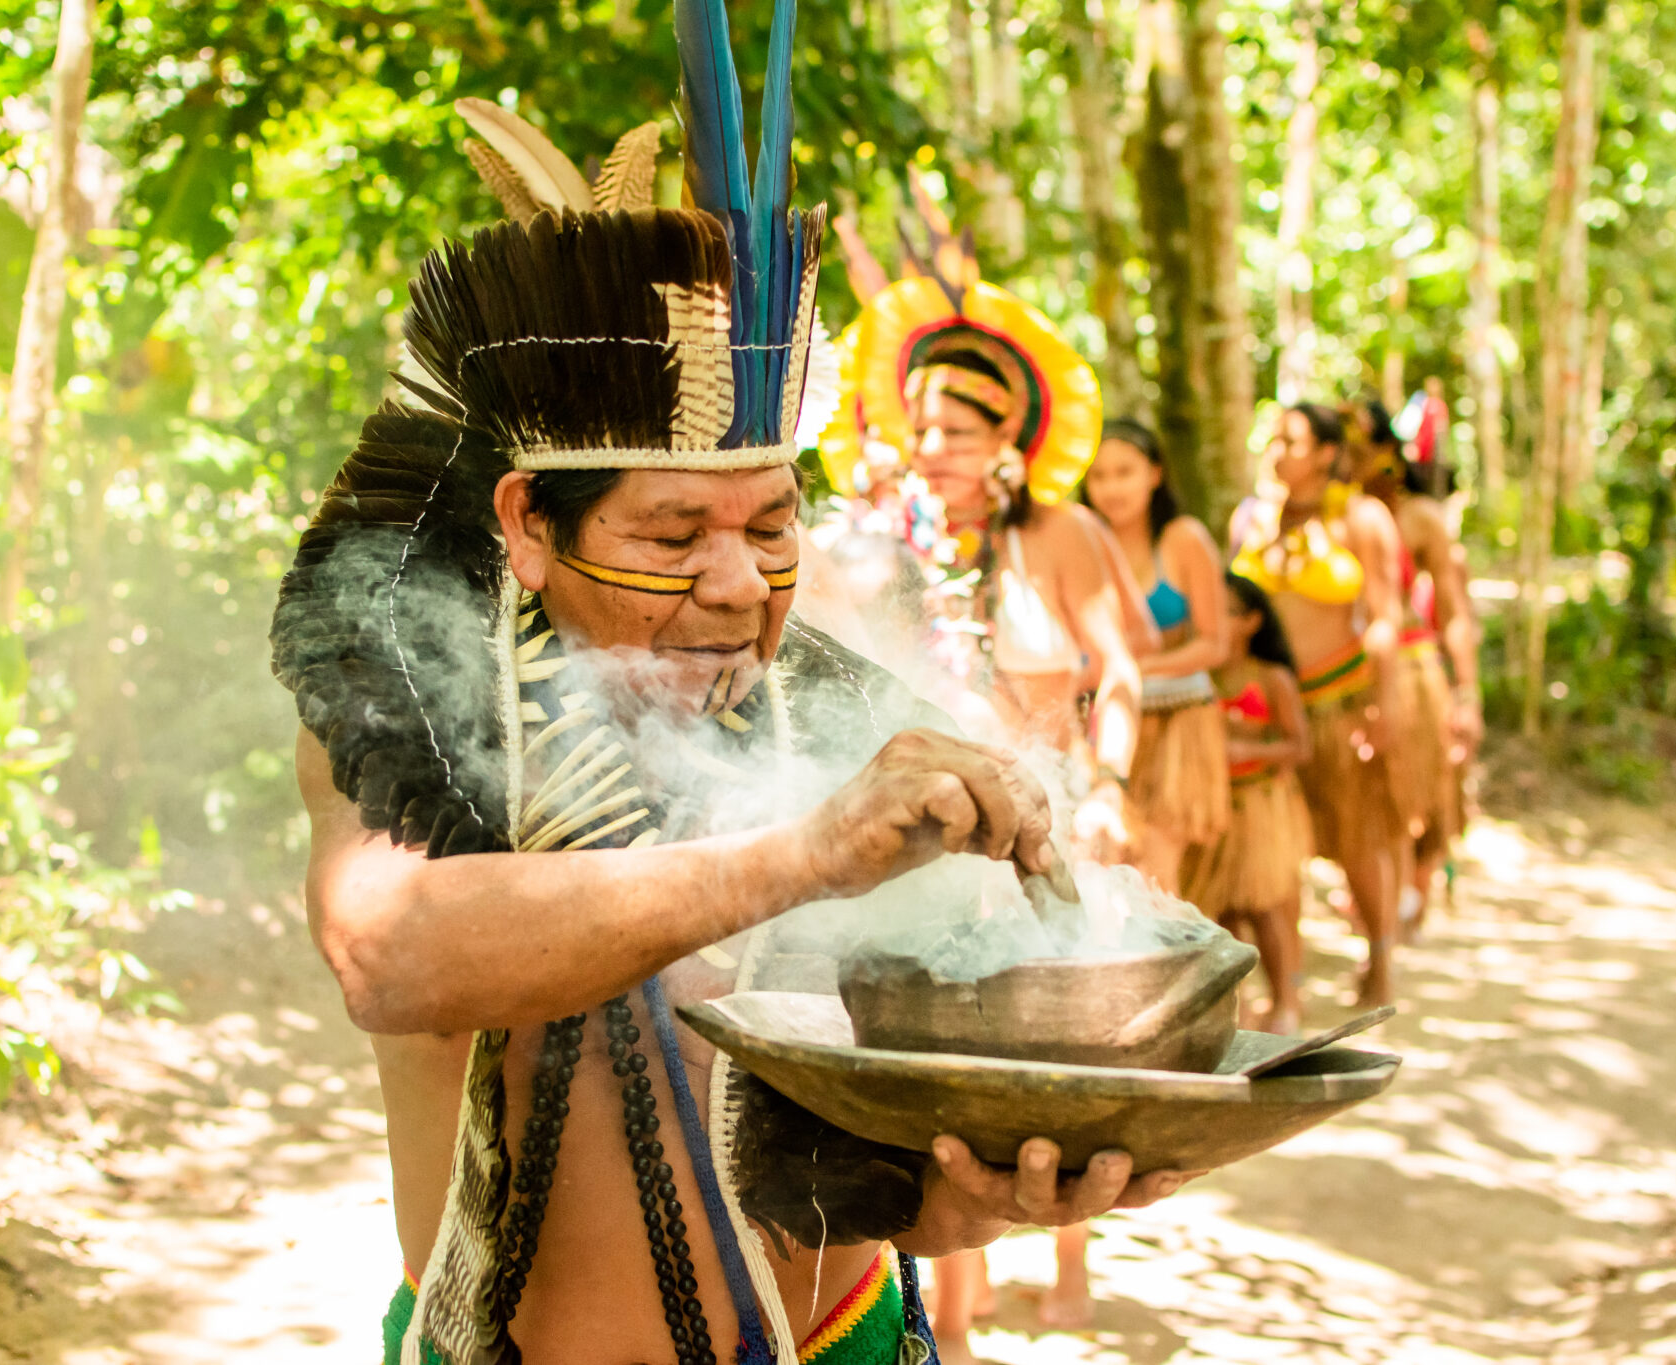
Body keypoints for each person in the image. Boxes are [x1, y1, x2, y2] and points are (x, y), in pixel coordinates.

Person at [271, 21, 1193, 1364]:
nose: (738, 585)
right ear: (529, 524)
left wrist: (983, 1192)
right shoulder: (408, 707)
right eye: (672, 536)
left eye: (773, 527)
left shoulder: (840, 710)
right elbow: (392, 954)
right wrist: (799, 856)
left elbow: (873, 1178)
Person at [811, 206, 1151, 1357]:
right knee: (947, 1067)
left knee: (1068, 1057)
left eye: (960, 429)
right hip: (935, 845)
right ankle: (947, 1319)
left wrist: (1104, 785)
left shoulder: (1062, 538)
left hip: (1064, 834)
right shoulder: (879, 539)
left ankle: (1067, 1253)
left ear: (1008, 439)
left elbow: (1121, 679)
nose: (937, 446)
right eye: (921, 427)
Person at [1230, 403, 1407, 1007]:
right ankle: (1289, 990)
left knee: (1358, 841)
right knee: (1275, 851)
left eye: (1293, 442)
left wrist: (1387, 704)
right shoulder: (1251, 519)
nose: (1278, 452)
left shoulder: (1363, 518)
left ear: (1328, 453)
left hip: (1340, 705)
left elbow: (1386, 617)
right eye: (1273, 440)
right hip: (1264, 711)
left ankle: (1380, 956)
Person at [1344, 397, 1481, 934]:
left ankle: (1411, 894)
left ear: (1385, 452)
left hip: (1410, 668)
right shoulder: (1319, 516)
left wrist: (1467, 693)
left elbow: (1454, 611)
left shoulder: (1419, 517)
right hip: (1342, 679)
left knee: (1413, 796)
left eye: (1361, 444)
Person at [1078, 418, 1231, 893]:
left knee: (1157, 878)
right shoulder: (1079, 540)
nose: (1111, 488)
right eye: (1098, 476)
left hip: (1178, 727)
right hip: (1101, 730)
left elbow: (1215, 643)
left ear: (1155, 473)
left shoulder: (1183, 539)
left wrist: (1133, 670)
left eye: (1124, 472)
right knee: (1105, 873)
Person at [1181, 572, 1312, 1035]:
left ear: (1253, 621)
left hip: (1261, 804)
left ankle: (1286, 1004)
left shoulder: (1270, 677)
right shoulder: (1197, 676)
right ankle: (1234, 1006)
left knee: (1267, 907)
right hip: (1212, 807)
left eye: (1228, 610)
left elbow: (1300, 746)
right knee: (1221, 909)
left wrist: (1250, 753)